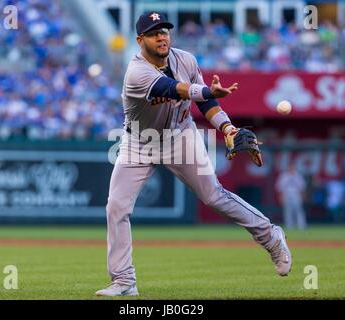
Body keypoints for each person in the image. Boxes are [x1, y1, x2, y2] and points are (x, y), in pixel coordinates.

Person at [95, 12, 292, 297]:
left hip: (180, 136)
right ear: (140, 40)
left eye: (164, 30)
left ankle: (271, 236)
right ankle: (124, 281)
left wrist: (227, 127)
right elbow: (173, 89)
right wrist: (203, 90)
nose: (162, 36)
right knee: (116, 207)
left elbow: (206, 101)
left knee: (214, 196)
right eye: (154, 33)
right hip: (139, 141)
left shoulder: (185, 59)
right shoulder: (136, 72)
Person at [275, 163, 307, 230]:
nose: (291, 168)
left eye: (292, 167)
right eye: (290, 167)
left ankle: (301, 226)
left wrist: (302, 196)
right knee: (287, 211)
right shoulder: (284, 176)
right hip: (287, 194)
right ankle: (289, 226)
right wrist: (281, 196)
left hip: (296, 194)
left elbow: (302, 187)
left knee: (298, 210)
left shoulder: (297, 175)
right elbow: (280, 187)